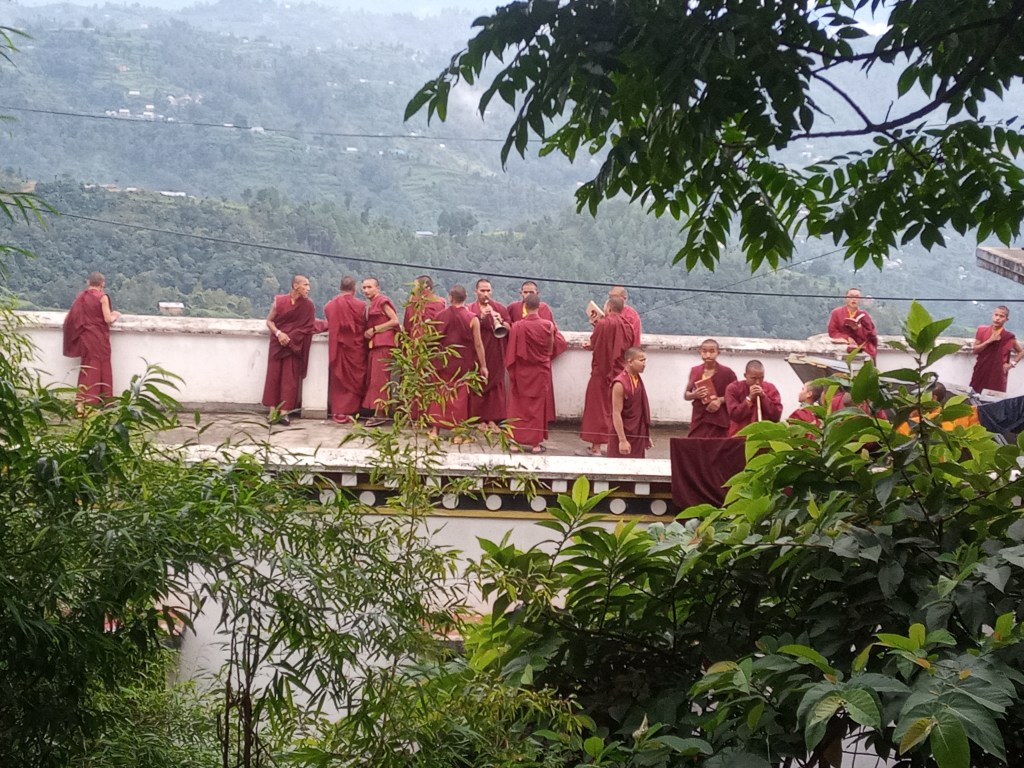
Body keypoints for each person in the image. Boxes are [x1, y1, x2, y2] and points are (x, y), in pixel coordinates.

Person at [427, 285, 488, 442]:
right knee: (459, 398)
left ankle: (434, 431)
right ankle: (458, 434)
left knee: (440, 393)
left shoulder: (440, 315)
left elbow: (432, 340)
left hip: (443, 361)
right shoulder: (472, 318)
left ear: (450, 297)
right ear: (466, 297)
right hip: (463, 363)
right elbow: (478, 344)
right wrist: (483, 365)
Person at [261, 275, 323, 426]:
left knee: (290, 379)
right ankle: (272, 412)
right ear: (296, 286)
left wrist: (293, 336)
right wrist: (279, 333)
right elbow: (269, 321)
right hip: (278, 343)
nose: (308, 288)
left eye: (308, 285)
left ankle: (284, 412)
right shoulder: (280, 301)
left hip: (293, 344)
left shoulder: (308, 305)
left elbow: (308, 327)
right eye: (305, 285)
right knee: (273, 377)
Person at [578, 296, 635, 455]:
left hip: (602, 373)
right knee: (616, 409)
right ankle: (613, 446)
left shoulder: (603, 324)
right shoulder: (628, 325)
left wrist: (590, 345)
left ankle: (596, 448)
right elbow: (628, 347)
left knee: (598, 409)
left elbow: (596, 344)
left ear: (609, 308)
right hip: (620, 374)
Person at [507, 280, 568, 421]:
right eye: (525, 292)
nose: (528, 295)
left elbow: (552, 335)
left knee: (534, 400)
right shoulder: (513, 308)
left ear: (537, 293)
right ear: (521, 293)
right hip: (529, 364)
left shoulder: (544, 309)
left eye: (531, 292)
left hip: (531, 363)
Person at [504, 293, 555, 453]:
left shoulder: (517, 326)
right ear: (539, 307)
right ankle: (535, 445)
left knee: (518, 407)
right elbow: (550, 349)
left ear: (524, 307)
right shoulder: (548, 325)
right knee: (536, 407)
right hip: (539, 372)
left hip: (521, 373)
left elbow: (511, 353)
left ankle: (514, 442)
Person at [63, 271, 120, 408]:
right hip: (99, 337)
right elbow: (108, 319)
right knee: (102, 366)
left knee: (87, 367)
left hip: (86, 337)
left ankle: (82, 402)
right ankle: (103, 401)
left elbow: (72, 318)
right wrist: (115, 315)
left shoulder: (82, 297)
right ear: (102, 284)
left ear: (88, 282)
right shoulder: (102, 297)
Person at [467, 278, 512, 431]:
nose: (485, 294)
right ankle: (479, 419)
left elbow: (509, 328)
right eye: (482, 290)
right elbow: (466, 329)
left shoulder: (499, 308)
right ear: (476, 291)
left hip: (495, 351)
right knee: (478, 383)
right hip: (477, 353)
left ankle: (493, 419)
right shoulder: (470, 309)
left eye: (488, 290)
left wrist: (500, 321)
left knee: (495, 385)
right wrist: (480, 317)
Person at [323, 276, 367, 424]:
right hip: (355, 348)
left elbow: (331, 323)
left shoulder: (330, 306)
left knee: (339, 380)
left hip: (338, 348)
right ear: (354, 289)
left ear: (340, 288)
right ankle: (352, 411)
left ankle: (338, 410)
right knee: (355, 378)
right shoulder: (361, 305)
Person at [361, 277, 401, 426]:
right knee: (374, 379)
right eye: (364, 288)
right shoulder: (372, 303)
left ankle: (381, 413)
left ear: (377, 288)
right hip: (376, 344)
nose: (366, 290)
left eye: (369, 287)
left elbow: (395, 320)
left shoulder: (382, 301)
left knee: (379, 380)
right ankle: (378, 411)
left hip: (384, 344)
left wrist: (374, 329)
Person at [684, 338, 737, 438]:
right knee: (696, 444)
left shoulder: (727, 372)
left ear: (718, 352)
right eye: (704, 351)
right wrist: (695, 395)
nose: (708, 355)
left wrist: (720, 400)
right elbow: (686, 394)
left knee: (718, 445)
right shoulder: (695, 371)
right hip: (699, 417)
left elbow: (736, 395)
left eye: (712, 351)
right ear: (700, 352)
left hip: (719, 419)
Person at [609, 347, 651, 458]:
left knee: (637, 466)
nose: (644, 364)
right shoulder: (620, 384)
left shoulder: (636, 379)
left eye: (645, 360)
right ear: (630, 362)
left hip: (638, 432)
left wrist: (646, 435)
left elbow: (641, 411)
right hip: (623, 433)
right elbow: (616, 413)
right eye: (641, 360)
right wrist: (622, 440)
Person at [970, 305, 1023, 393]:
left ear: (1006, 319)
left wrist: (1011, 364)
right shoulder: (981, 330)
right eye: (996, 315)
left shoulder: (1008, 336)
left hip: (998, 373)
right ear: (992, 315)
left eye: (1001, 316)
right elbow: (975, 350)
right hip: (981, 369)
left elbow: (1021, 352)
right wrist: (989, 341)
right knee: (974, 395)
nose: (997, 318)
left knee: (995, 397)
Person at [724, 360, 784, 436]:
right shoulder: (733, 388)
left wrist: (764, 397)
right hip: (740, 436)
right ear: (745, 375)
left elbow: (776, 416)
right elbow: (735, 416)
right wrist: (749, 399)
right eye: (753, 378)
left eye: (761, 378)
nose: (757, 382)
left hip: (765, 436)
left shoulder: (770, 388)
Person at [828, 288, 878, 360]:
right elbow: (832, 332)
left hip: (860, 346)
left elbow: (871, 337)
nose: (854, 299)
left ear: (860, 300)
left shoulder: (864, 315)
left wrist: (858, 329)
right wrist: (847, 338)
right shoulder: (836, 313)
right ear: (846, 298)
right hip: (843, 344)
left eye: (857, 297)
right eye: (851, 296)